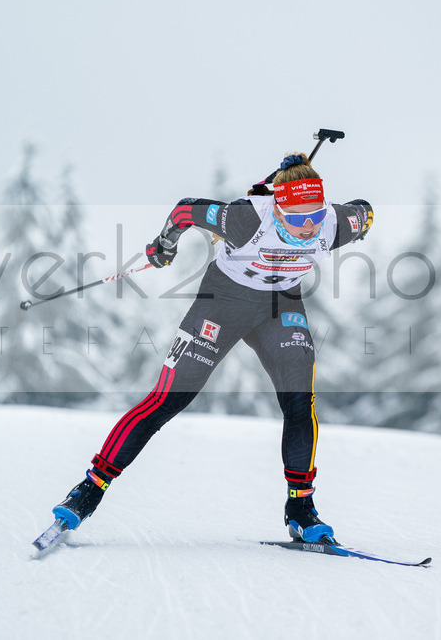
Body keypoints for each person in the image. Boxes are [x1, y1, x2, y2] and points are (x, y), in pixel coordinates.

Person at [49, 152, 373, 544]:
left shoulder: (335, 223)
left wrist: (357, 218)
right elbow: (185, 210)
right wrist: (164, 243)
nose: (308, 228)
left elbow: (365, 212)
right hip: (222, 304)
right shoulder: (245, 218)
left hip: (280, 307)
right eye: (297, 218)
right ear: (276, 207)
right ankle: (88, 490)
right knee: (167, 399)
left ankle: (301, 508)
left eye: (315, 217)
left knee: (299, 402)